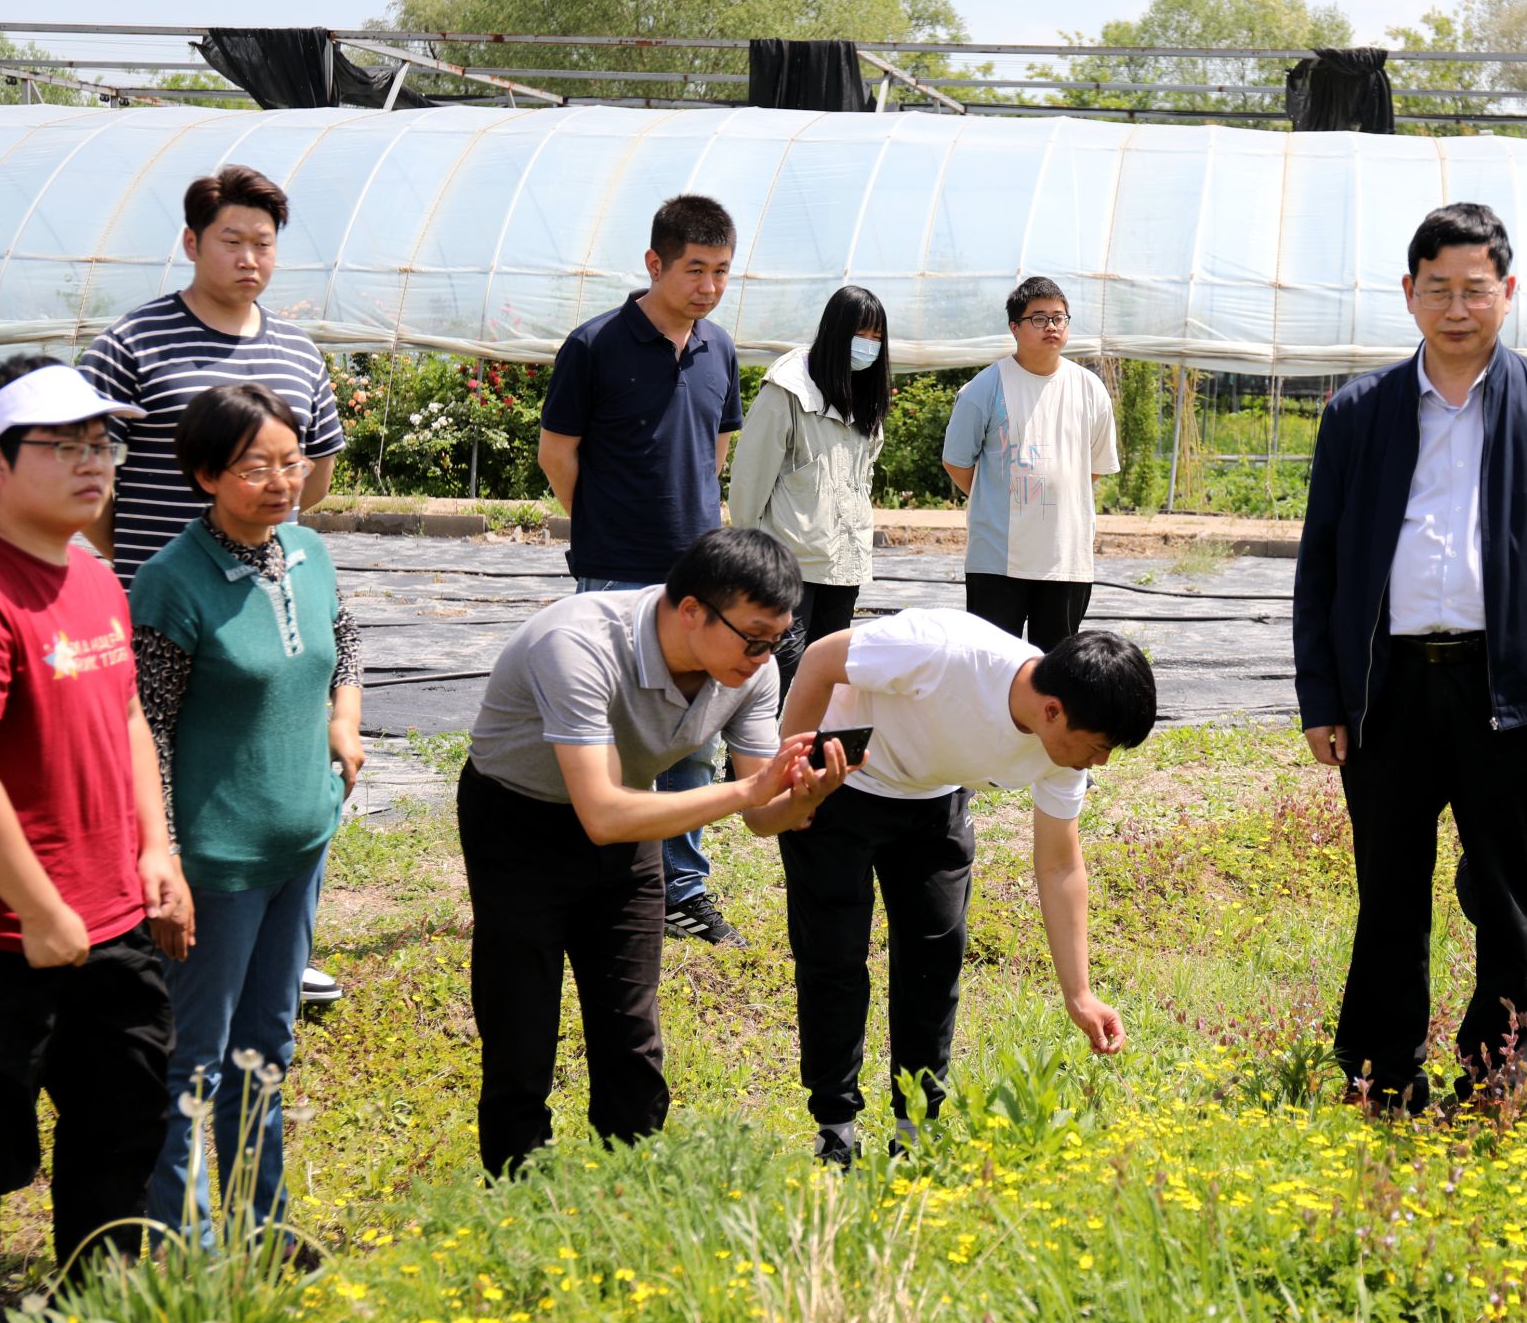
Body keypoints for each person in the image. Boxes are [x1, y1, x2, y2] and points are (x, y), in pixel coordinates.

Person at [1293, 202, 1527, 1115]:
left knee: (1511, 890)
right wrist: (1323, 695)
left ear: (1507, 293)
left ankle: (1504, 1071)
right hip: (1387, 687)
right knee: (1388, 890)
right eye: (1437, 288)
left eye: (1476, 289)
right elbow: (1319, 564)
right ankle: (1380, 1071)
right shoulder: (1361, 412)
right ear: (1409, 295)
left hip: (1504, 690)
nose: (1457, 307)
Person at [459, 528, 848, 1178]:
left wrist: (807, 797)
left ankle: (632, 1184)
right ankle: (517, 1193)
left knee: (630, 1028)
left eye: (775, 642)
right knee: (520, 1021)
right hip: (517, 821)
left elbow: (759, 817)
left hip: (632, 822)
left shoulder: (748, 670)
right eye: (752, 638)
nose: (762, 657)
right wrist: (750, 788)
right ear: (692, 609)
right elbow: (603, 813)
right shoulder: (579, 643)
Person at [79, 164, 348, 1012]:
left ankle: (275, 940)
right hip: (163, 602)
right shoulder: (132, 344)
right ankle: (156, 924)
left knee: (267, 767)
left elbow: (321, 469)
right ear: (192, 242)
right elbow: (90, 476)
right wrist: (137, 567)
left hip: (261, 600)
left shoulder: (297, 351)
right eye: (231, 240)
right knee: (156, 761)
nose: (249, 259)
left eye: (263, 244)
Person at [778, 610, 1154, 1164]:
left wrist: (1080, 993)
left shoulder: (1064, 748)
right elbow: (820, 659)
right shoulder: (944, 651)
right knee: (833, 958)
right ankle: (835, 1130)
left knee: (935, 959)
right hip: (844, 785)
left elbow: (1060, 866)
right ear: (1053, 711)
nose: (1098, 762)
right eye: (1098, 747)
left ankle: (916, 1132)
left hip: (933, 800)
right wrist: (795, 774)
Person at [130, 383, 363, 1249]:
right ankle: (177, 1238)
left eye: (292, 459)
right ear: (203, 475)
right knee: (195, 1056)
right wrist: (168, 860)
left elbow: (346, 639)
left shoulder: (306, 551)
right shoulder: (170, 583)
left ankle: (260, 1224)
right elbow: (144, 729)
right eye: (255, 465)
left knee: (268, 1041)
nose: (282, 481)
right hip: (215, 863)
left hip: (302, 840)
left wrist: (345, 716)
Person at [0, 357, 189, 1310]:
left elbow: (127, 721)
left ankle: (101, 1310)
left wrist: (158, 850)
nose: (92, 462)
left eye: (101, 442)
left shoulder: (96, 577)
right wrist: (37, 908)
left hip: (112, 918)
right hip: (9, 937)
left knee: (122, 1123)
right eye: (61, 445)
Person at [538, 194, 750, 948]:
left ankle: (681, 887)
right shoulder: (595, 346)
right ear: (655, 263)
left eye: (722, 272)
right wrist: (603, 523)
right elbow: (557, 453)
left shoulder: (718, 348)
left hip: (698, 577)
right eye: (696, 270)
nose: (709, 287)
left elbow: (715, 451)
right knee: (615, 733)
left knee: (692, 732)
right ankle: (610, 881)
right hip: (614, 574)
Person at [727, 285, 890, 698]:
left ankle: (810, 760)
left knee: (828, 677)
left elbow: (861, 480)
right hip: (789, 562)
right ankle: (750, 761)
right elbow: (750, 478)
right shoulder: (787, 390)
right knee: (779, 668)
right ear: (836, 333)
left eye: (876, 339)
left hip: (843, 563)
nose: (869, 347)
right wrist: (751, 555)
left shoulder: (864, 398)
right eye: (861, 335)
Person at [942, 276, 1119, 651]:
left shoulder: (1090, 389)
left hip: (1065, 558)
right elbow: (957, 463)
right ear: (1015, 328)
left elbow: (1094, 468)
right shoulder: (984, 388)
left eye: (1059, 317)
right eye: (1039, 318)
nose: (1051, 326)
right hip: (997, 563)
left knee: (1056, 669)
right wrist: (998, 498)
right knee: (993, 664)